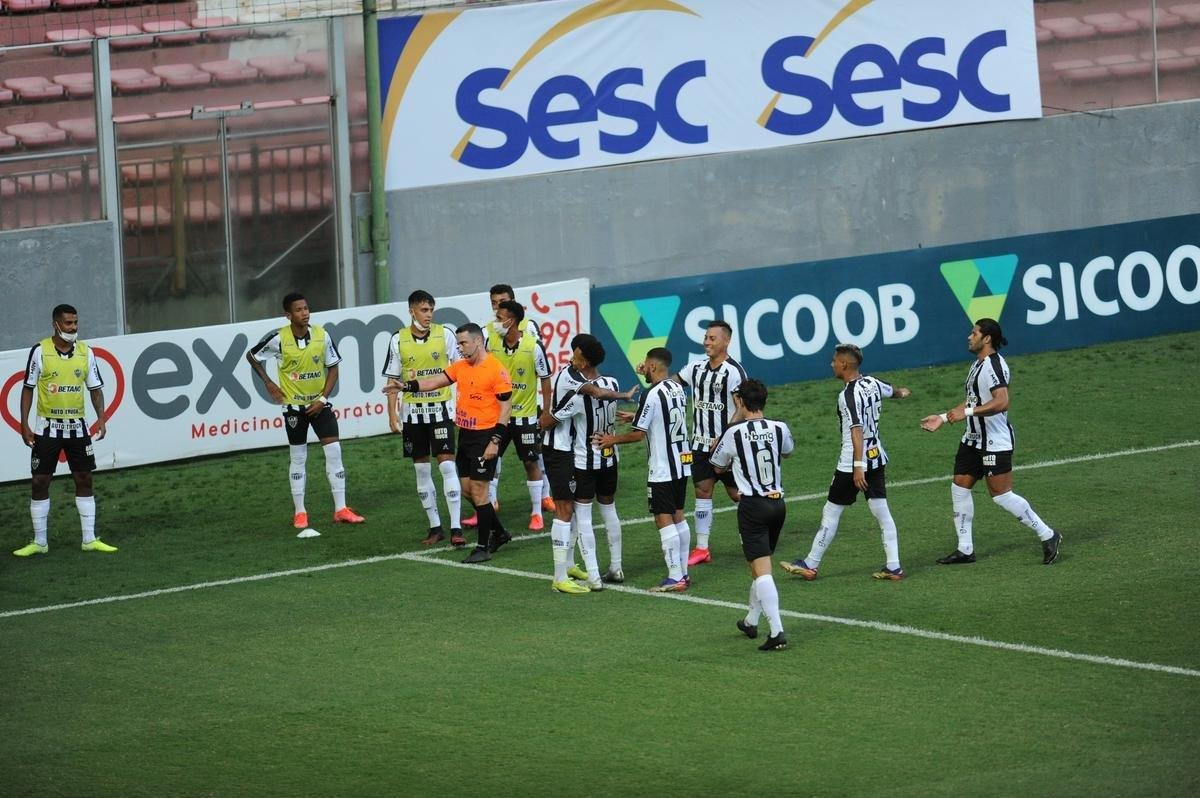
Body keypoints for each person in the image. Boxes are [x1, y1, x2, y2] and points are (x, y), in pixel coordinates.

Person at [920, 318, 1062, 565]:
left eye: (973, 333)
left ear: (986, 338)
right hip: (972, 440)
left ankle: (1048, 534)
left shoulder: (994, 366)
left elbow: (1002, 401)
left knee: (1001, 495)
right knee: (960, 487)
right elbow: (973, 399)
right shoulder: (978, 365)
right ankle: (965, 549)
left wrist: (966, 413)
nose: (969, 336)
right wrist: (944, 417)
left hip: (994, 442)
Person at [781, 344, 911, 581]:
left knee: (831, 511)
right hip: (876, 455)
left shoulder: (847, 395)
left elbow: (856, 429)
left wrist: (857, 466)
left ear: (844, 364)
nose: (831, 364)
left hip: (853, 461)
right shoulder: (871, 382)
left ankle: (810, 564)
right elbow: (892, 390)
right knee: (881, 511)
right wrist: (902, 392)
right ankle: (894, 566)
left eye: (834, 361)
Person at [386, 323, 513, 563]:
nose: (460, 348)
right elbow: (434, 382)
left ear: (477, 341)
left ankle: (483, 547)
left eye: (463, 343)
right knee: (467, 491)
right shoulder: (461, 366)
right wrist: (406, 386)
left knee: (479, 491)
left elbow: (506, 407)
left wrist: (495, 441)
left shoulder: (496, 369)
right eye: (458, 343)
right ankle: (500, 532)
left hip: (486, 436)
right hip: (466, 434)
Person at [248, 293, 365, 529]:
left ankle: (341, 509)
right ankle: (300, 512)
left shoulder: (322, 335)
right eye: (299, 310)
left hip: (319, 406)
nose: (305, 313)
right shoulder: (279, 339)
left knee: (334, 452)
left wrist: (322, 398)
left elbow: (333, 369)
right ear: (288, 315)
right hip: (293, 408)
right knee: (298, 457)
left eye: (306, 308)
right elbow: (252, 356)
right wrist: (269, 383)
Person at [13, 304, 118, 557]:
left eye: (75, 322)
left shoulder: (86, 352)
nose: (74, 328)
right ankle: (40, 542)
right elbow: (28, 388)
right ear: (56, 325)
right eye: (69, 323)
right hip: (47, 428)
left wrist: (101, 419)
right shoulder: (39, 351)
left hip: (78, 428)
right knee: (40, 481)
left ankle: (89, 539)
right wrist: (24, 423)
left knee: (84, 478)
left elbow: (95, 388)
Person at [539, 334, 636, 594]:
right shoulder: (608, 381)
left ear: (584, 361)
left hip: (580, 457)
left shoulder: (577, 391)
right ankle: (612, 567)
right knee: (599, 509)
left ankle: (585, 574)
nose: (572, 358)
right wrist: (625, 395)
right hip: (599, 454)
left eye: (576, 354)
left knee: (577, 513)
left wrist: (545, 419)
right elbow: (602, 393)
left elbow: (548, 421)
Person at [595, 347, 692, 593]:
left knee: (663, 518)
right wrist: (638, 414)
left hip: (662, 467)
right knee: (678, 515)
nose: (643, 368)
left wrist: (611, 440)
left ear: (652, 366)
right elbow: (662, 416)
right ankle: (683, 573)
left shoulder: (651, 394)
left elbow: (639, 435)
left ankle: (674, 576)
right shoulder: (676, 387)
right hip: (682, 463)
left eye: (646, 365)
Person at [710, 379, 793, 652]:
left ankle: (777, 630)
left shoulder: (734, 433)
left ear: (741, 403)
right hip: (778, 505)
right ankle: (750, 620)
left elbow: (717, 466)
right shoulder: (779, 427)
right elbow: (788, 452)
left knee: (762, 570)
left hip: (753, 507)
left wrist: (719, 447)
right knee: (759, 565)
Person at [381, 290, 464, 546]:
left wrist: (462, 404)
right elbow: (393, 381)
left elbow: (461, 370)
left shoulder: (446, 334)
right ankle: (435, 527)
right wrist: (392, 413)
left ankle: (456, 527)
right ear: (411, 311)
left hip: (441, 409)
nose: (428, 315)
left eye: (431, 310)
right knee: (421, 469)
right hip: (413, 414)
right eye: (423, 310)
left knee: (448, 465)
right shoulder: (398, 340)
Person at [674, 320, 746, 567]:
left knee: (738, 494)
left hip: (728, 447)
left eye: (712, 338)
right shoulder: (695, 368)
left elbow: (742, 408)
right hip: (701, 445)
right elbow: (672, 384)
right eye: (706, 337)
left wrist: (725, 436)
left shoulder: (734, 371)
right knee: (702, 491)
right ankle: (702, 547)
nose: (706, 342)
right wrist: (653, 377)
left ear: (726, 341)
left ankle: (752, 535)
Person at [486, 300, 552, 531]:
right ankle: (491, 504)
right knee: (490, 459)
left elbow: (545, 378)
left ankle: (536, 513)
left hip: (525, 417)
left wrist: (546, 411)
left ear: (511, 320)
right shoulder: (491, 342)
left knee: (530, 462)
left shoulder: (533, 346)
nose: (495, 322)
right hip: (499, 417)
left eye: (499, 317)